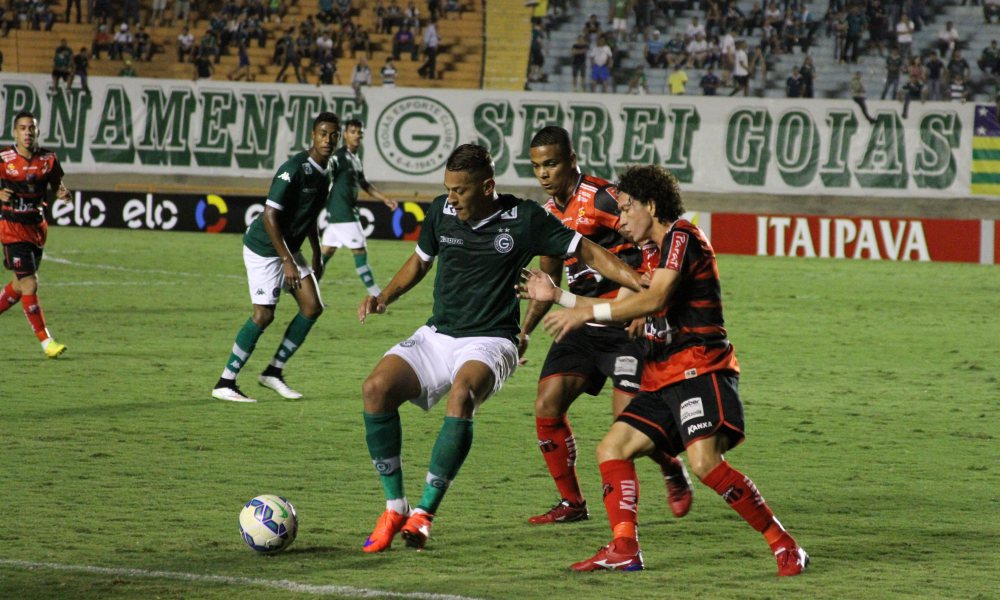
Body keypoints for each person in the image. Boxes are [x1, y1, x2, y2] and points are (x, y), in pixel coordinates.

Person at [522, 164, 809, 576]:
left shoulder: (681, 236)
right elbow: (625, 309)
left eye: (625, 210)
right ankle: (624, 548)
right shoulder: (652, 254)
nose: (618, 221)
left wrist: (581, 311)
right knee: (612, 449)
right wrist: (560, 298)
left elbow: (652, 300)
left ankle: (785, 545)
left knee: (705, 464)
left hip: (699, 368)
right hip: (662, 374)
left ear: (650, 206)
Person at [356, 143, 642, 553]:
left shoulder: (524, 218)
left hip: (492, 339)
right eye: (448, 189)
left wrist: (639, 286)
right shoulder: (440, 212)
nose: (451, 199)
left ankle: (424, 514)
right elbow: (420, 261)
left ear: (487, 186)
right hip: (439, 333)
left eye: (460, 191)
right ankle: (394, 506)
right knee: (375, 389)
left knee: (462, 394)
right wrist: (384, 297)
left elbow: (589, 252)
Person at [519, 127, 692, 526]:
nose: (543, 174)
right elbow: (549, 284)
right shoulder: (547, 215)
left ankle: (670, 464)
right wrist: (526, 332)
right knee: (547, 404)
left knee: (627, 426)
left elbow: (652, 235)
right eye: (537, 166)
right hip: (581, 318)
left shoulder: (603, 196)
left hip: (624, 317)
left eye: (551, 163)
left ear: (572, 160)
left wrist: (646, 304)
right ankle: (572, 503)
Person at [211, 112, 341, 403]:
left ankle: (273, 371)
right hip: (265, 247)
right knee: (264, 314)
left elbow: (309, 216)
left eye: (334, 135)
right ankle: (225, 381)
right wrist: (288, 261)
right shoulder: (293, 169)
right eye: (323, 133)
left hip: (289, 248)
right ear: (312, 135)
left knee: (312, 306)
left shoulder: (328, 170)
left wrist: (317, 253)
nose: (328, 140)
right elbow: (270, 216)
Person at [0, 111, 71, 359]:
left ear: (37, 132)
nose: (27, 132)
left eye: (31, 128)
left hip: (37, 229)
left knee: (20, 285)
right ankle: (46, 342)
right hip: (11, 228)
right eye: (22, 128)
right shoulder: (3, 158)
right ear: (15, 132)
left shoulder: (49, 160)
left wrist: (62, 194)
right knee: (30, 282)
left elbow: (57, 185)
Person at [320, 119, 397, 297]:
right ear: (345, 135)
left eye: (359, 132)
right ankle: (377, 295)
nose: (357, 135)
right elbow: (325, 174)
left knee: (325, 254)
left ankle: (302, 289)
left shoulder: (355, 158)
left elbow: (364, 184)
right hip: (344, 215)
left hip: (338, 216)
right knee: (360, 251)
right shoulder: (338, 157)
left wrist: (385, 198)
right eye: (353, 131)